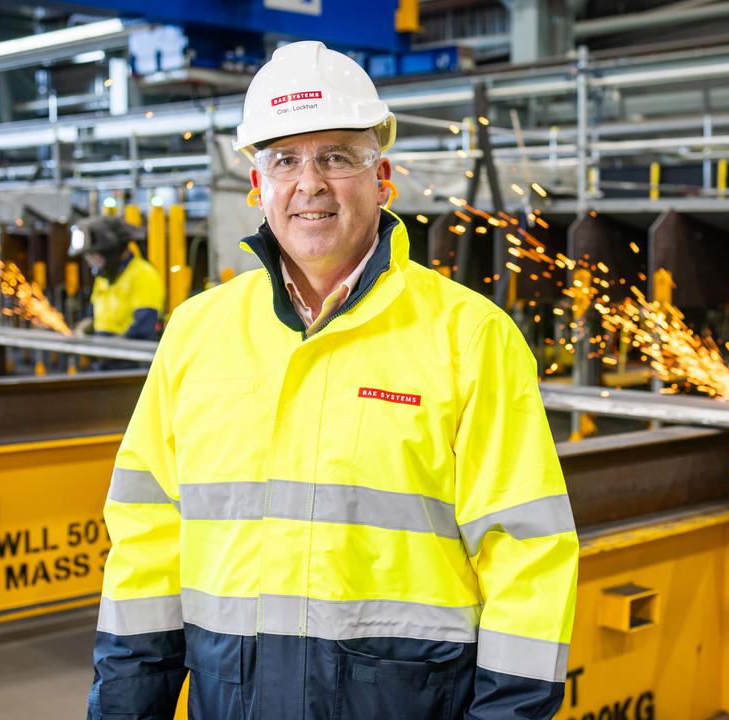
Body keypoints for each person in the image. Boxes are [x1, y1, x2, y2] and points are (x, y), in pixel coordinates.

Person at [87, 41, 579, 720]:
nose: (310, 183)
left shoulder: (471, 339)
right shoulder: (194, 334)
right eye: (285, 159)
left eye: (337, 157)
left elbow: (528, 558)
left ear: (382, 178)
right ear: (258, 186)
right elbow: (146, 544)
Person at [70, 215, 164, 341]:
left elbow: (144, 326)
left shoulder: (143, 274)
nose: (90, 262)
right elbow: (93, 314)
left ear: (111, 251)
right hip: (107, 353)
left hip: (131, 356)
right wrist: (82, 328)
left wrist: (114, 345)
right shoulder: (104, 277)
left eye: (93, 255)